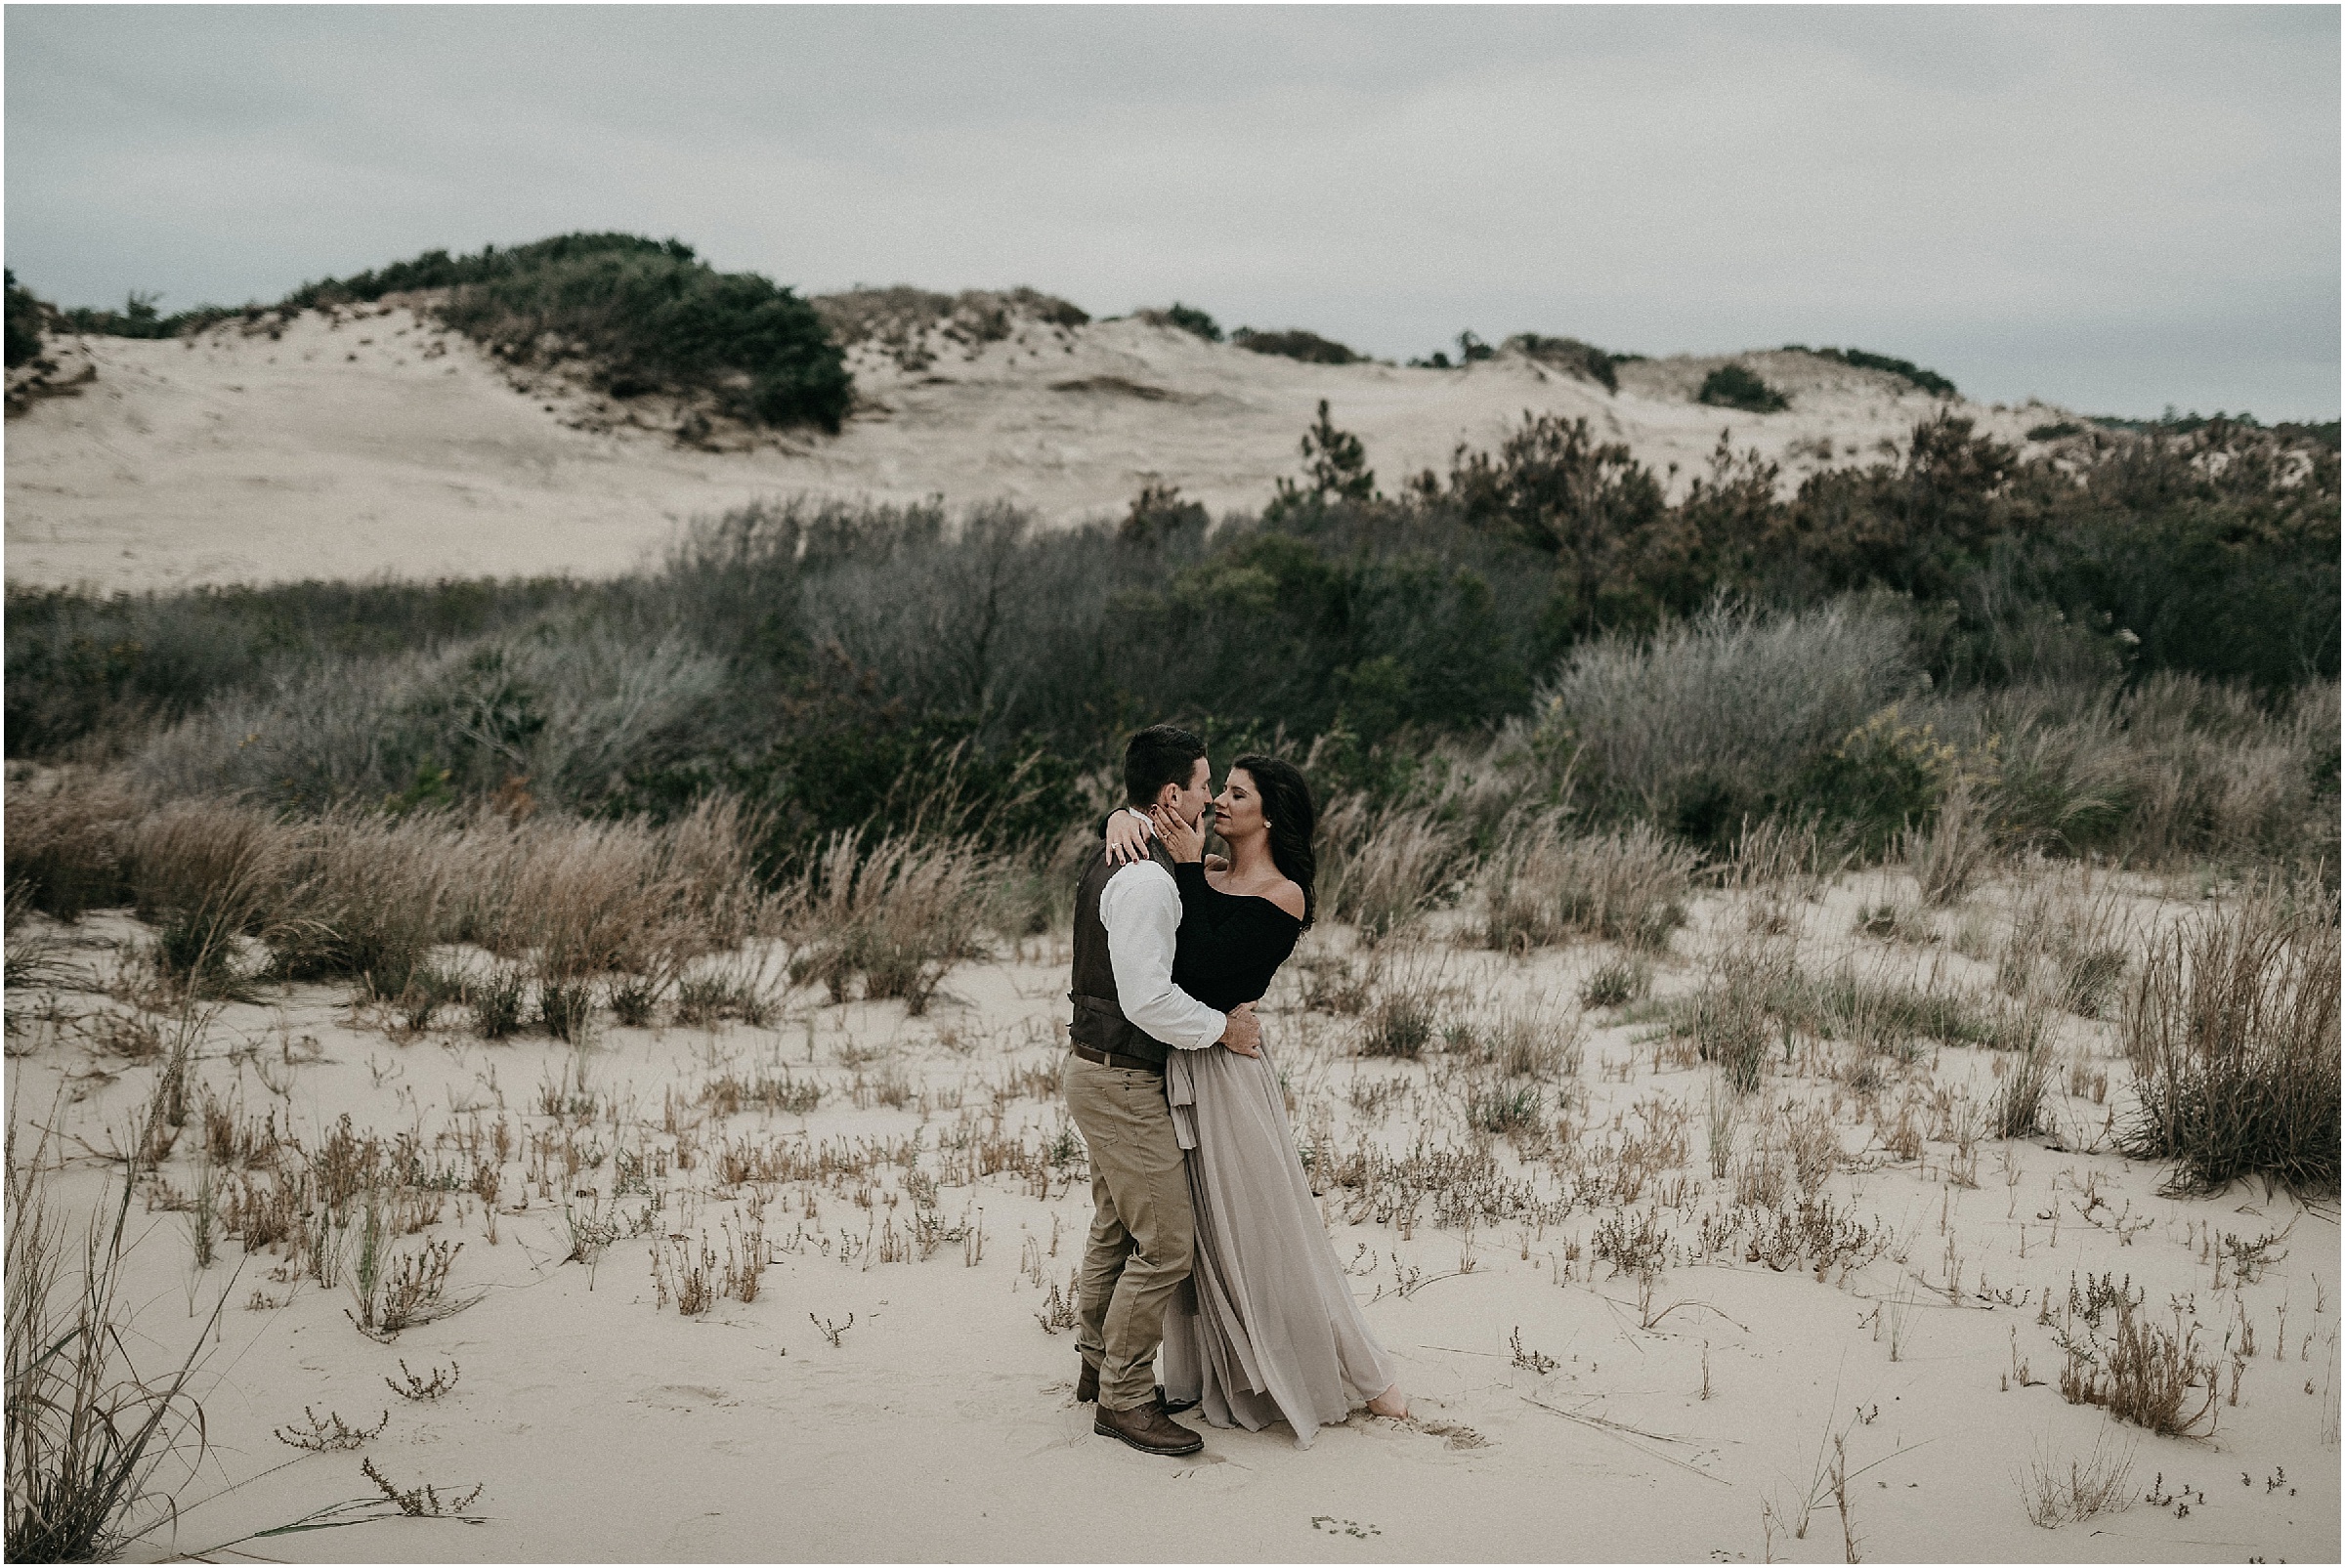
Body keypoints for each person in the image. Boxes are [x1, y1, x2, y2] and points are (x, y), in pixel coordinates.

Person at [1102, 754, 1407, 1448]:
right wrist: (1121, 816)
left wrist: (1184, 868)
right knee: (1203, 1232)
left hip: (1231, 1072)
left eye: (1236, 794)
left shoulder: (1284, 893)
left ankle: (1349, 1367)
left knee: (1265, 1220)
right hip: (1183, 1061)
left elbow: (1209, 967)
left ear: (1268, 813)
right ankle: (1221, 1366)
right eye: (1221, 790)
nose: (1221, 803)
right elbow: (1163, 917)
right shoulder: (1204, 869)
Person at [1061, 724, 1263, 1458]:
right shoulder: (1144, 876)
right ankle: (1123, 1397)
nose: (1211, 800)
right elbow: (1147, 1000)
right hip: (1120, 1078)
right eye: (1205, 786)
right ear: (1171, 793)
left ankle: (1094, 1363)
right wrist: (1221, 1030)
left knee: (1116, 1225)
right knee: (1168, 1243)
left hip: (1094, 1068)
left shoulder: (1119, 850)